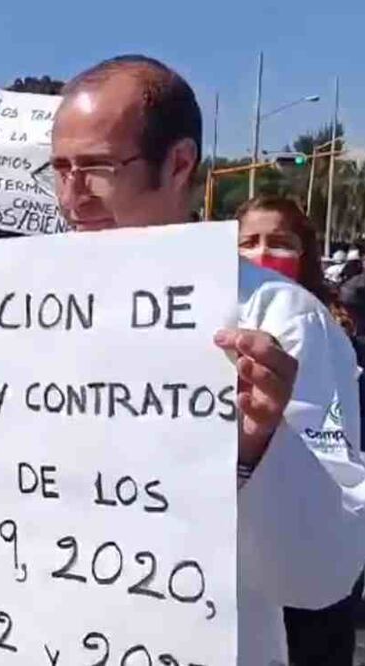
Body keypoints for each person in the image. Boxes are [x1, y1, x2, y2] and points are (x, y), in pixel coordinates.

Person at [45, 54, 365, 664]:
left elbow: (324, 570)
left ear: (180, 163)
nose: (72, 195)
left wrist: (259, 449)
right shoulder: (26, 308)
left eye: (96, 168)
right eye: (59, 169)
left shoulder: (281, 321)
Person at [236, 195, 365, 665]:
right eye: (249, 241)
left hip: (309, 554)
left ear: (306, 252)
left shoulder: (322, 323)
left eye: (280, 242)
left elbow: (332, 441)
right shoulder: (222, 318)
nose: (263, 252)